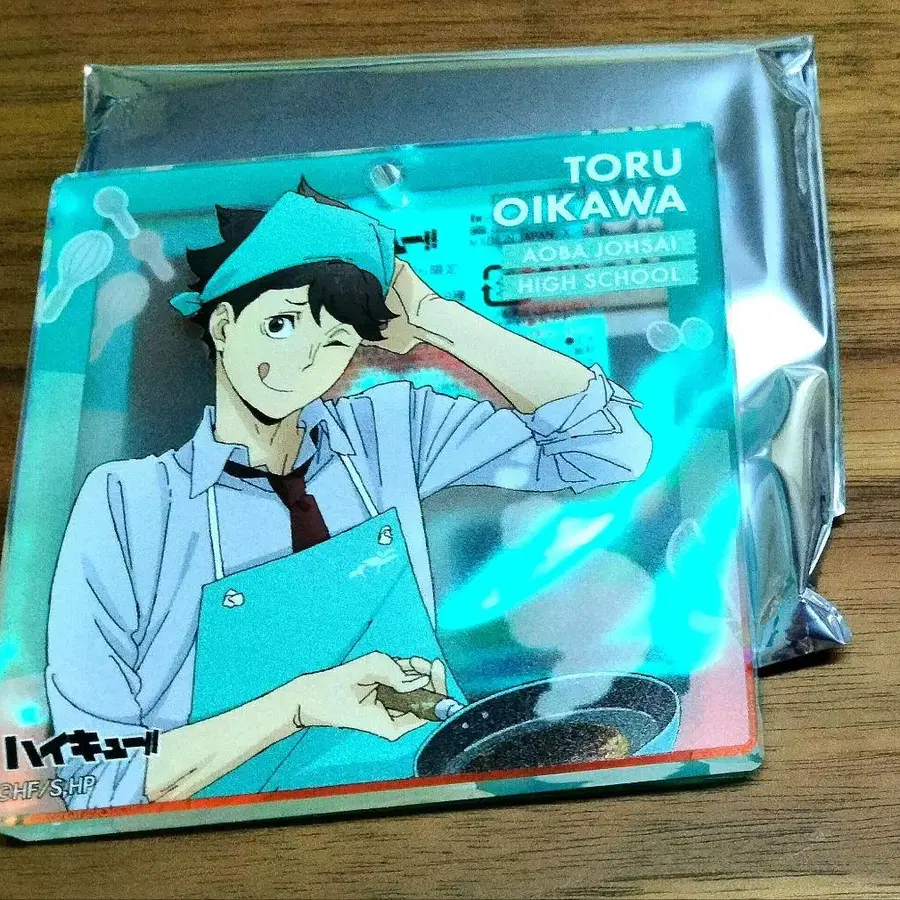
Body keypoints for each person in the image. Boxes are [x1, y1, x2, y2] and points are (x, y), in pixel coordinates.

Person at [45, 179, 652, 808]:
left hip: (429, 802)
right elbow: (95, 779)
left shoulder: (388, 431)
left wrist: (437, 318)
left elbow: (610, 448)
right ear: (223, 325)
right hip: (231, 831)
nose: (304, 362)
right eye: (280, 324)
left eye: (335, 340)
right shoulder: (132, 504)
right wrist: (299, 706)